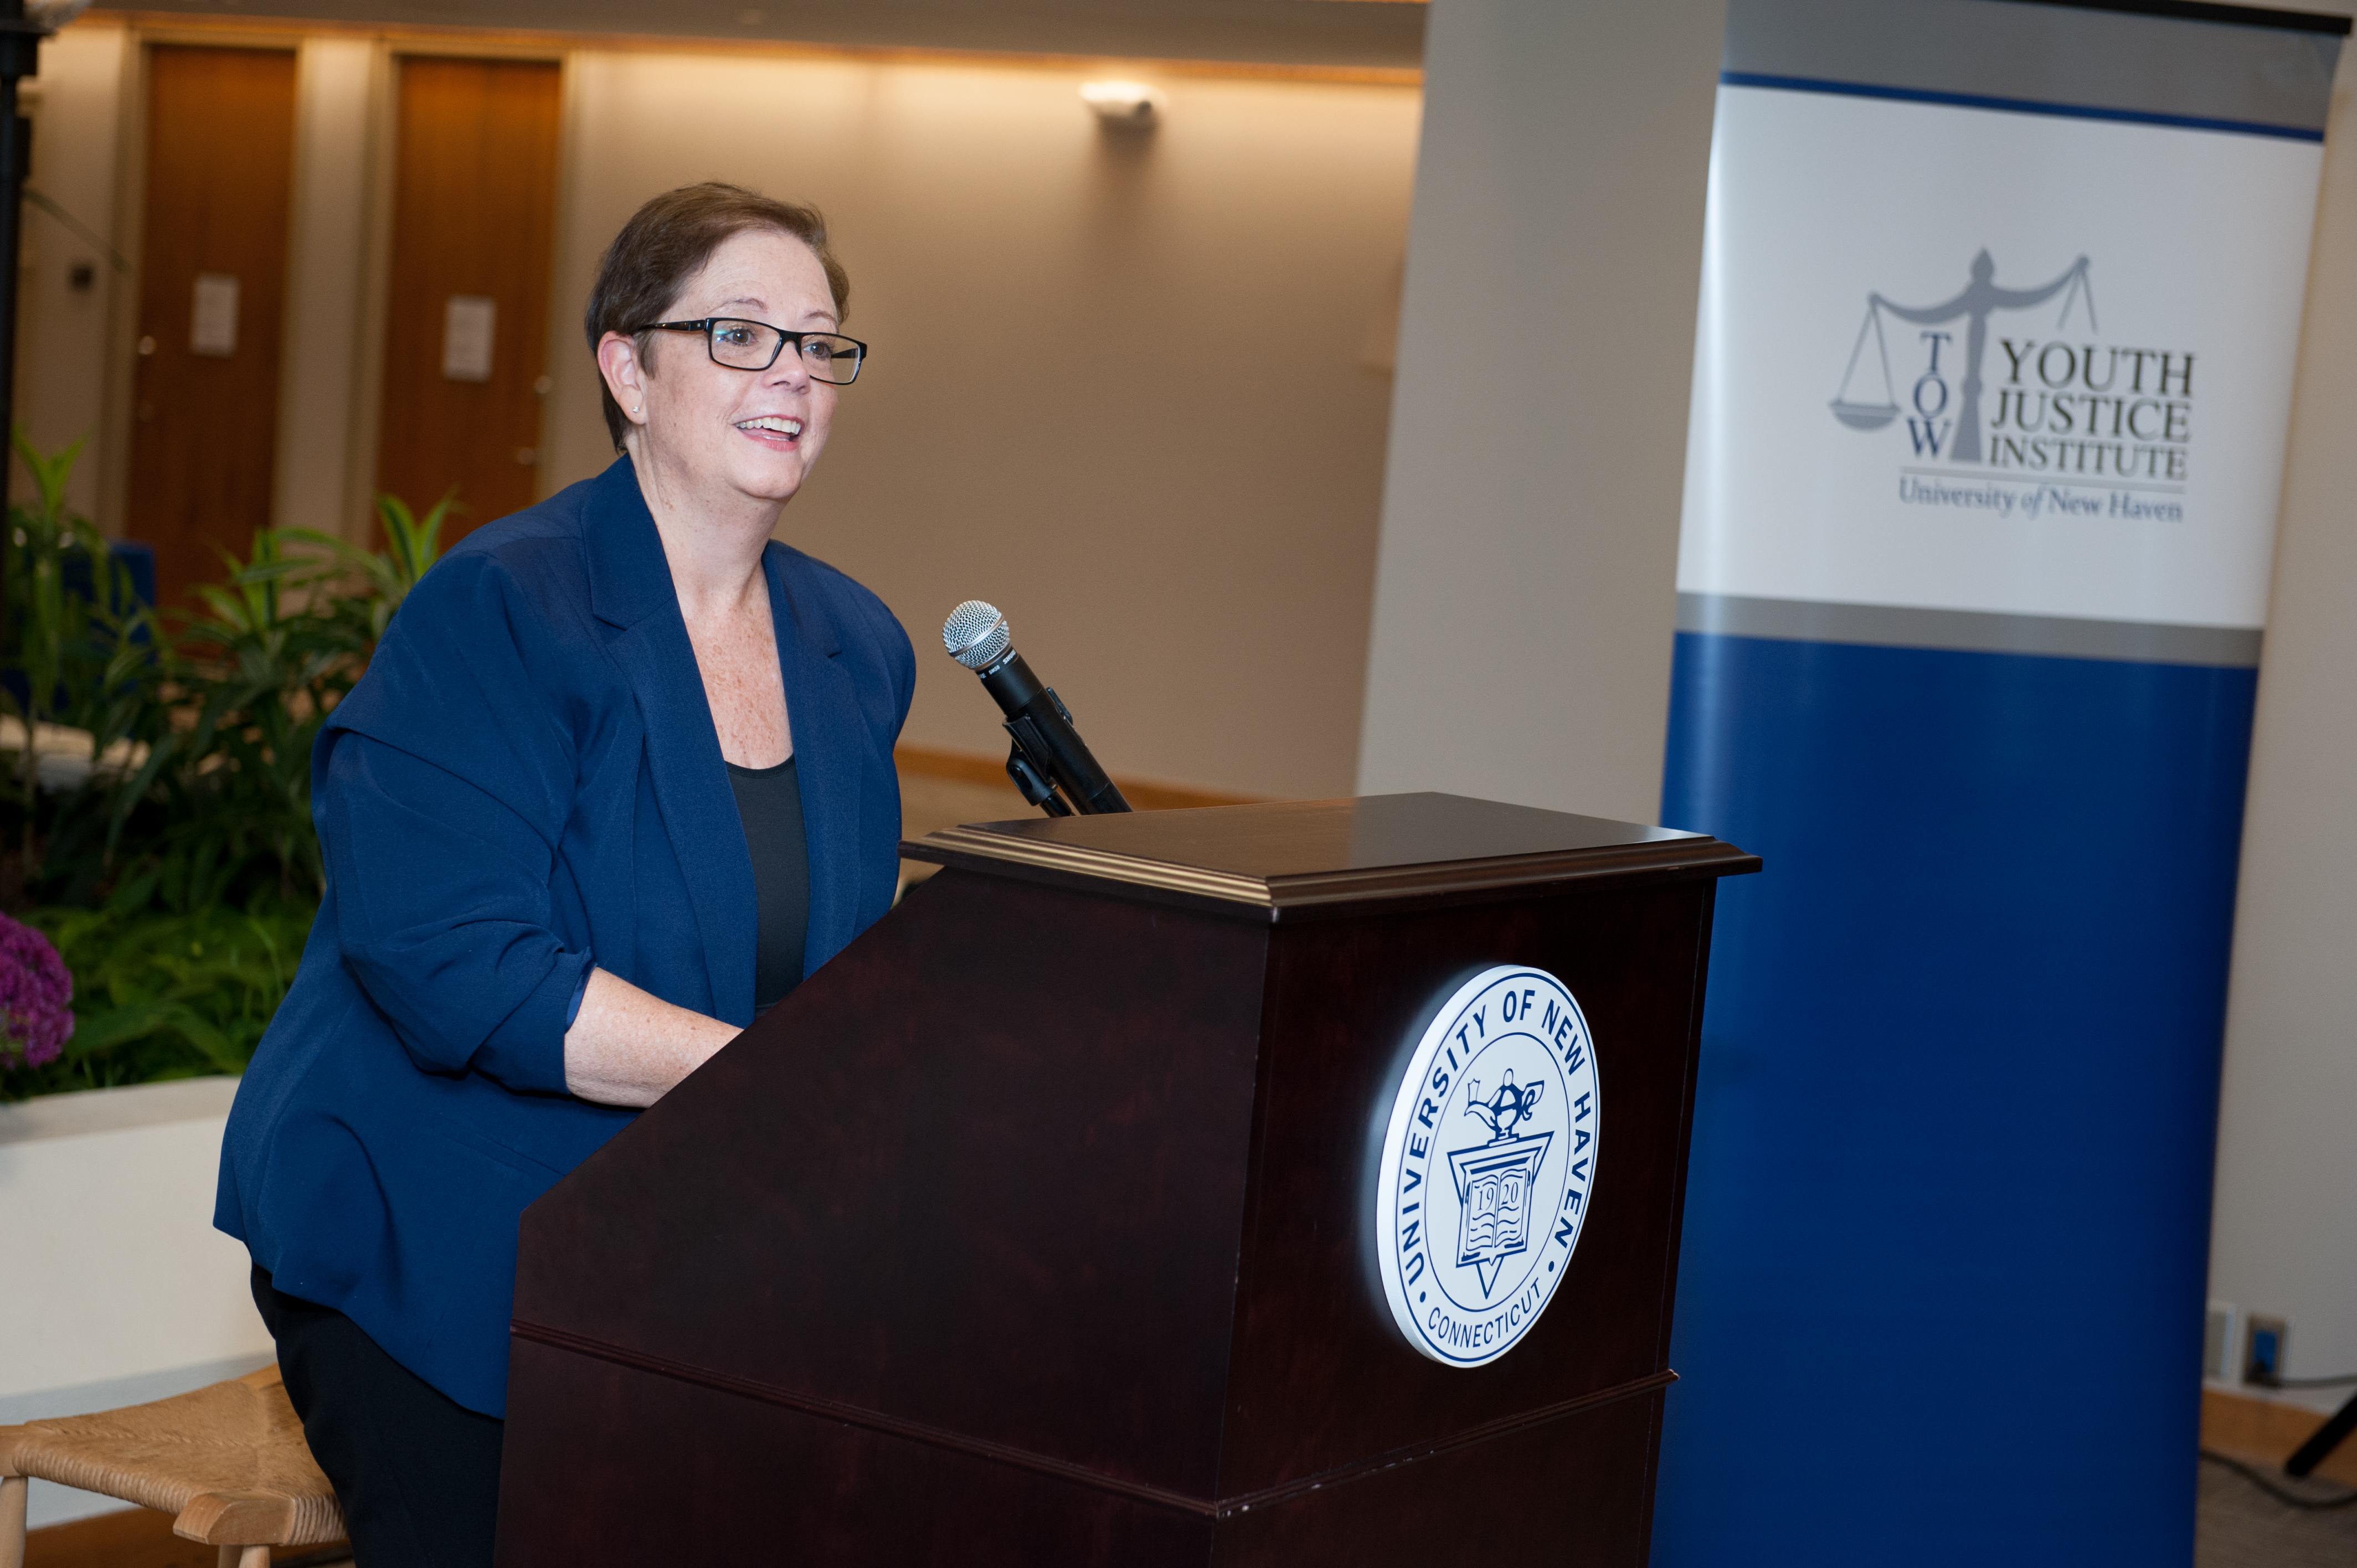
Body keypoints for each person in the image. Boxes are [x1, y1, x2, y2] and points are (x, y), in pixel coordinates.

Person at [215, 182, 912, 1567]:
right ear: (626, 368)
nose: (791, 373)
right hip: (436, 1230)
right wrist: (771, 1088)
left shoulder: (855, 643)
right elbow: (452, 965)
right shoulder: (505, 605)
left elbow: (835, 972)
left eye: (819, 343)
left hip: (682, 1235)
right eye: (740, 334)